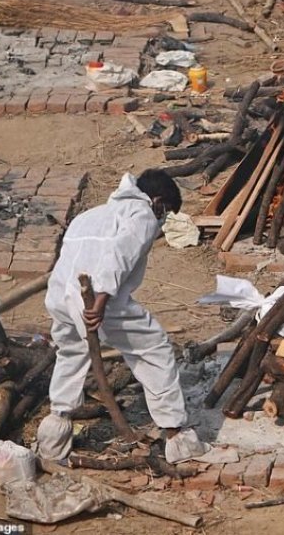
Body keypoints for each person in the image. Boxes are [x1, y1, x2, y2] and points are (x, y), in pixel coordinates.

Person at [36, 169, 209, 463]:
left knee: (71, 355)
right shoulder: (141, 214)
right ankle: (177, 438)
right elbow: (118, 256)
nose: (162, 218)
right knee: (153, 348)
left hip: (60, 298)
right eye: (165, 211)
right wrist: (100, 302)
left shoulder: (90, 215)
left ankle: (53, 440)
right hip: (98, 300)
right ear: (156, 201)